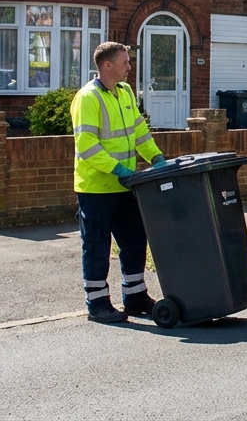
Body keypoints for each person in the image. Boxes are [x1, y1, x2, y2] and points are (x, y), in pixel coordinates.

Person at [71, 41, 166, 323]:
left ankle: (135, 296)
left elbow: (139, 132)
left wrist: (156, 157)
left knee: (135, 240)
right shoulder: (88, 98)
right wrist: (118, 170)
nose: (129, 67)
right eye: (125, 62)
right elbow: (87, 146)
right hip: (97, 188)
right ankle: (97, 303)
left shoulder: (124, 93)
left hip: (126, 185)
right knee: (97, 246)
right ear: (107, 65)